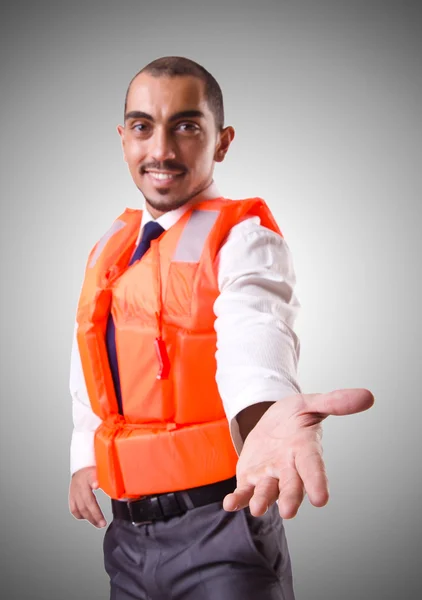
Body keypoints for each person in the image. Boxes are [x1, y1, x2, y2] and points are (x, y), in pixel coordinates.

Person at [68, 56, 374, 600]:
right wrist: (84, 456)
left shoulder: (243, 239)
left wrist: (268, 410)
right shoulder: (110, 247)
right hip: (127, 539)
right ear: (123, 138)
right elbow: (93, 362)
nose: (160, 150)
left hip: (222, 527)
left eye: (186, 127)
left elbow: (255, 329)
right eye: (143, 126)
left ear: (222, 141)